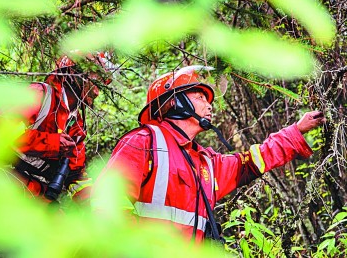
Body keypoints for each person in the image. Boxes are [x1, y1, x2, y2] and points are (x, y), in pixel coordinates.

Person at [92, 65, 326, 243]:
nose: (209, 104)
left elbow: (253, 161)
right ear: (175, 103)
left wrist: (297, 130)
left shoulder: (205, 163)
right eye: (200, 97)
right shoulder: (143, 142)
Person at [0, 52, 113, 202]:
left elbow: (76, 175)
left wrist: (95, 205)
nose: (96, 92)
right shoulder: (37, 95)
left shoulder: (76, 124)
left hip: (35, 192)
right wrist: (53, 143)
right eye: (96, 80)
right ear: (74, 73)